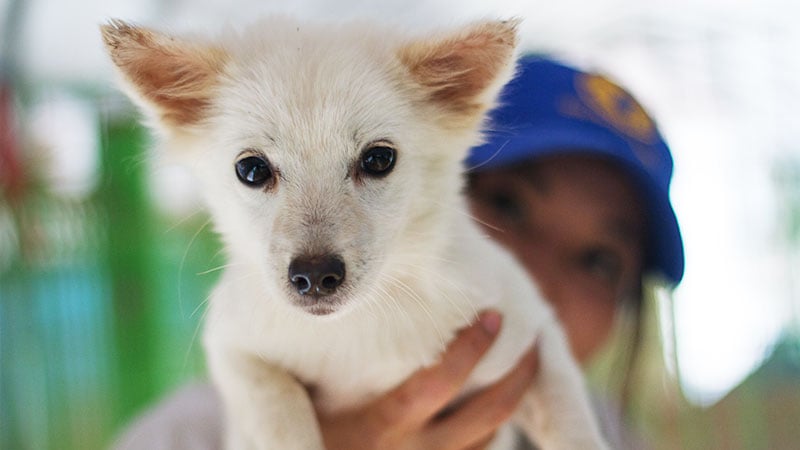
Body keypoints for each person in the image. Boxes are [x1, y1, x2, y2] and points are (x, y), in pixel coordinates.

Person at [113, 55, 684, 450]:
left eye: (600, 262)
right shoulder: (190, 435)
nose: (538, 274)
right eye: (508, 205)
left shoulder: (608, 433)